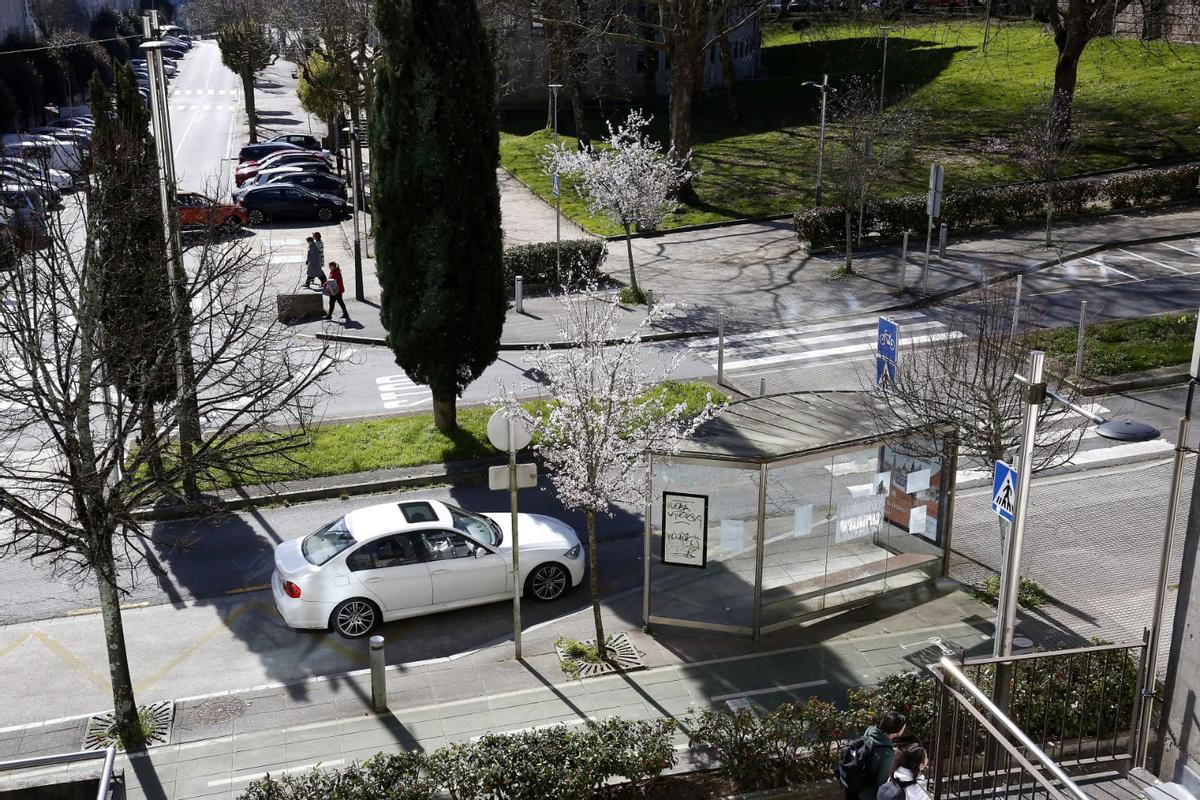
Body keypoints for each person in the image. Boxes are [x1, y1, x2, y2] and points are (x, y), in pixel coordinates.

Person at [837, 712, 907, 800]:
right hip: (866, 795)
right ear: (897, 730)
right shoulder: (887, 755)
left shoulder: (870, 731)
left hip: (852, 786)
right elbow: (882, 784)